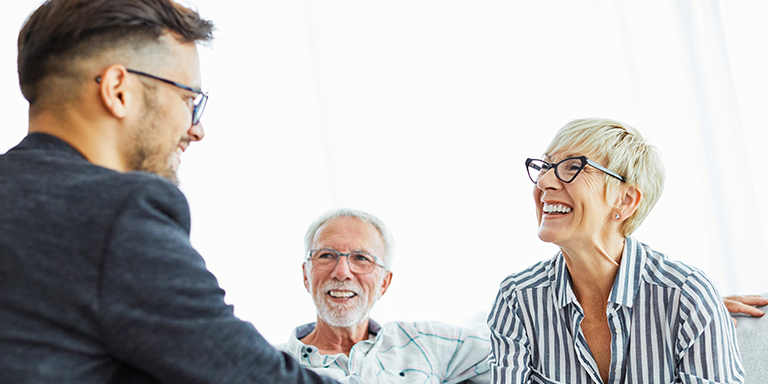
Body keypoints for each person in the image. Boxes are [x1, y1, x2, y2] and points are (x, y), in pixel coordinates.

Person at [0, 0, 341, 382]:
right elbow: (256, 377)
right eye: (187, 99)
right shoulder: (116, 214)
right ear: (118, 90)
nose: (196, 129)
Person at [488, 118, 744, 383]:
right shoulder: (517, 300)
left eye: (574, 167)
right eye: (545, 166)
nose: (544, 182)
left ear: (625, 200)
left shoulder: (688, 298)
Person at [275, 208, 491, 383]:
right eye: (326, 255)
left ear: (384, 283)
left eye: (361, 258)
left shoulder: (420, 342)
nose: (341, 272)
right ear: (306, 274)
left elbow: (512, 354)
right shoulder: (270, 365)